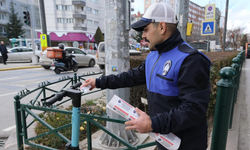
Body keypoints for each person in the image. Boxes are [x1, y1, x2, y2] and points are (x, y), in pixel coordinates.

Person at [82, 3, 211, 150]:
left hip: (187, 144)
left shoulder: (191, 59)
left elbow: (193, 109)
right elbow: (133, 76)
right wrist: (99, 82)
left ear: (162, 27)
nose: (143, 36)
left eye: (146, 30)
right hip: (163, 140)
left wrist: (152, 123)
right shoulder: (154, 55)